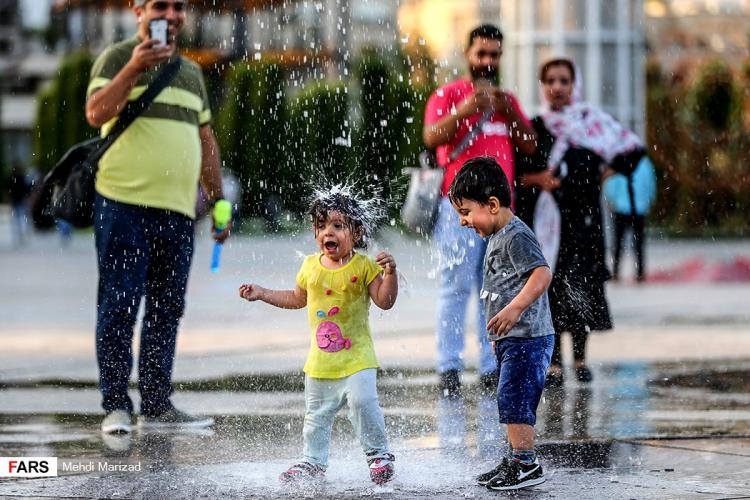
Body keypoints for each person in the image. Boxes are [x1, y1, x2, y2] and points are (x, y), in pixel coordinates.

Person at [86, 0, 230, 434]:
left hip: (177, 213)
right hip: (122, 205)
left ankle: (156, 403)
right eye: (159, 6)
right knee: (120, 305)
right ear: (137, 11)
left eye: (178, 7)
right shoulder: (115, 58)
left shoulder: (190, 72)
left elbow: (206, 140)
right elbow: (96, 113)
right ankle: (115, 406)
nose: (170, 14)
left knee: (167, 310)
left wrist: (219, 203)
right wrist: (133, 68)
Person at [239, 186, 398, 486]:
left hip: (358, 358)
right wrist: (262, 293)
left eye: (338, 226)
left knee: (364, 402)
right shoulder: (310, 267)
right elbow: (297, 298)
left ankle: (379, 454)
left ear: (357, 232)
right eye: (322, 226)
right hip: (320, 362)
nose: (329, 232)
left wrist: (390, 275)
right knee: (316, 417)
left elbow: (384, 301)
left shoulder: (364, 266)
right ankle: (313, 461)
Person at [515, 57, 646, 385]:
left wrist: (605, 172)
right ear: (543, 86)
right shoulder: (535, 129)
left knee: (584, 285)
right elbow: (517, 175)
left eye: (564, 81)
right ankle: (555, 362)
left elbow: (631, 152)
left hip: (585, 222)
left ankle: (581, 359)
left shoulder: (592, 123)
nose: (557, 87)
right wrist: (539, 180)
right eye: (551, 81)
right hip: (547, 225)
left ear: (575, 85)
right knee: (553, 287)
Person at [423, 24, 536, 395]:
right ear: (468, 55)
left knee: (498, 289)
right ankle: (449, 368)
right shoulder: (449, 94)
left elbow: (531, 146)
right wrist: (466, 110)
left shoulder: (507, 101)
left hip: (501, 215)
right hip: (458, 212)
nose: (488, 61)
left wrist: (511, 115)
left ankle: (492, 366)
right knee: (455, 287)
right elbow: (431, 137)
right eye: (481, 54)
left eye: (494, 54)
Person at [449, 157, 554, 491]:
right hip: (514, 339)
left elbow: (542, 274)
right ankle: (514, 459)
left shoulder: (515, 236)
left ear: (492, 205)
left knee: (515, 399)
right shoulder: (497, 235)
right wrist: (498, 333)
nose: (463, 221)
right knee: (509, 397)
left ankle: (526, 463)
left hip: (530, 337)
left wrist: (514, 311)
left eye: (466, 212)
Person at [603, 157, 657, 283]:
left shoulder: (619, 161)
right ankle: (640, 273)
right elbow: (650, 184)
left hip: (621, 207)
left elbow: (611, 182)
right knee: (638, 243)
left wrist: (611, 199)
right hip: (639, 208)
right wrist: (649, 200)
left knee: (618, 242)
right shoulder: (645, 163)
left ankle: (616, 272)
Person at [8, 163, 29, 248]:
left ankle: (18, 234)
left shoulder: (13, 178)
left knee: (17, 218)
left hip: (16, 200)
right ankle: (20, 234)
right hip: (20, 200)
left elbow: (8, 190)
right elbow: (26, 189)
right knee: (21, 218)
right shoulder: (21, 178)